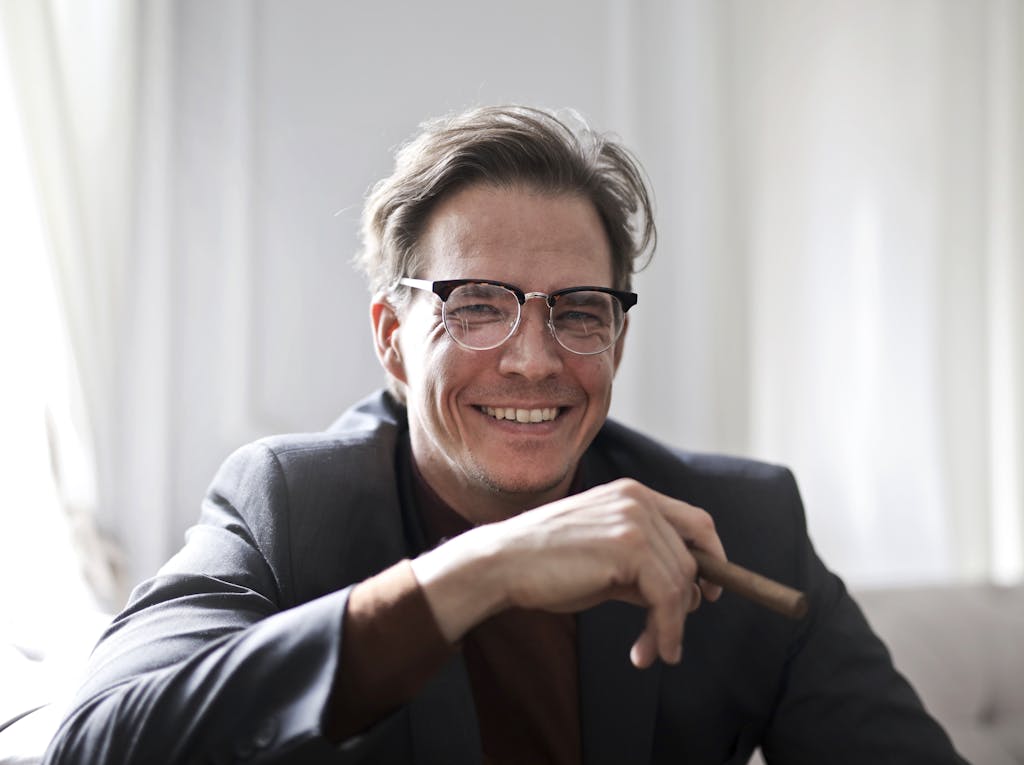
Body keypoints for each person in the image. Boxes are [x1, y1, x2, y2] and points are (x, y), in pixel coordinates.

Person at [44, 105, 966, 764]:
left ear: (618, 338)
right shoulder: (290, 503)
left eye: (579, 310)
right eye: (477, 305)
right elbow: (93, 742)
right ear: (392, 338)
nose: (533, 359)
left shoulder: (746, 522)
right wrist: (488, 568)